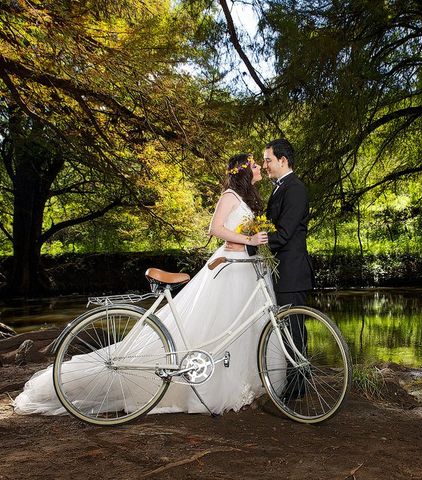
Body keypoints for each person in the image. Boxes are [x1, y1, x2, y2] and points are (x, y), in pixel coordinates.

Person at [14, 153, 272, 416]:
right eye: (253, 164)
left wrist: (251, 241)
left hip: (242, 265)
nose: (259, 167)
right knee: (214, 323)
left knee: (239, 327)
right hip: (227, 264)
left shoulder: (245, 197)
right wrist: (249, 240)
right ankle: (202, 386)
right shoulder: (230, 195)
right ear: (243, 170)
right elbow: (215, 229)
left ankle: (243, 384)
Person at [262, 138, 315, 399]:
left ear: (283, 160)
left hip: (292, 272)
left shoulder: (295, 189)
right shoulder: (280, 187)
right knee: (287, 331)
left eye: (268, 159)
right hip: (281, 271)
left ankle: (298, 387)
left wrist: (254, 243)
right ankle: (294, 385)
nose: (265, 165)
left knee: (294, 331)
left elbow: (284, 234)